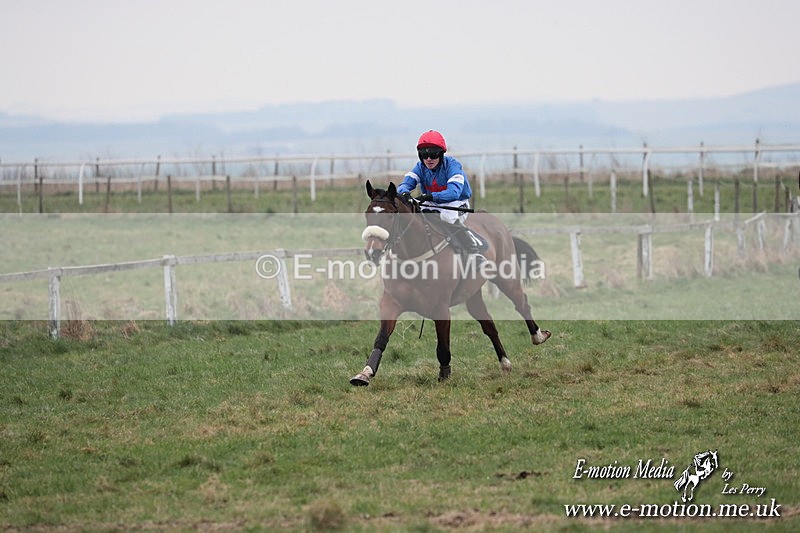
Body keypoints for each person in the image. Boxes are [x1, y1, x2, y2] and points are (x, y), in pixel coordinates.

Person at [396, 130, 486, 265]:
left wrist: (429, 196)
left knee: (447, 217)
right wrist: (404, 193)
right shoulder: (420, 167)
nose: (428, 159)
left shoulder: (453, 165)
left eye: (433, 154)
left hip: (456, 202)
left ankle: (474, 252)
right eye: (424, 155)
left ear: (441, 154)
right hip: (431, 202)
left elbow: (453, 193)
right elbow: (405, 184)